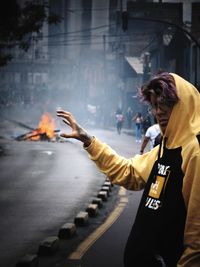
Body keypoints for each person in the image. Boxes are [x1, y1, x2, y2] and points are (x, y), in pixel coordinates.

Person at [57, 72, 200, 267]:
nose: (159, 112)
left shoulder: (195, 151)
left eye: (166, 104)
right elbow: (129, 172)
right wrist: (88, 140)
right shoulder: (165, 148)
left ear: (184, 104)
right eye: (155, 105)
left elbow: (197, 235)